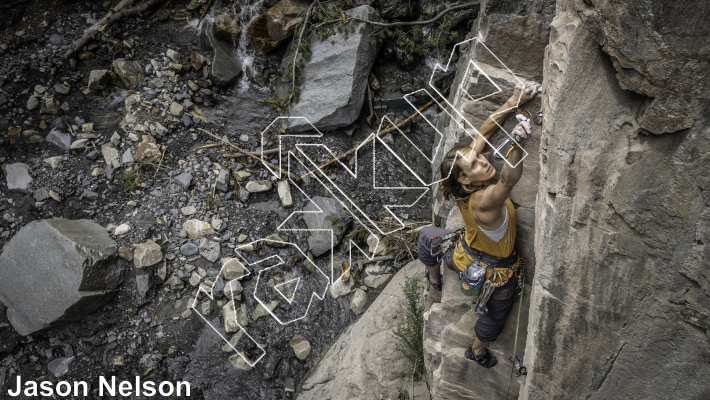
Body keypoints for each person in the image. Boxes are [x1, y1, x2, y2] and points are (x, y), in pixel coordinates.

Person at [417, 80, 540, 368]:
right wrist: (517, 143)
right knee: (496, 314)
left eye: (478, 157)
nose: (483, 162)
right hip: (496, 275)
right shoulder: (484, 201)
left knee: (427, 236)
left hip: (462, 255)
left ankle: (434, 279)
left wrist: (513, 100)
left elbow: (484, 131)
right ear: (465, 178)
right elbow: (509, 180)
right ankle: (477, 351)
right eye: (474, 165)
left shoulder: (464, 187)